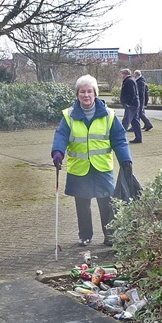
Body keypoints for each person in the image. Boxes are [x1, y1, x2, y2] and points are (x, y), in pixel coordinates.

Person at [51, 74, 132, 247]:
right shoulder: (69, 115)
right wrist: (57, 152)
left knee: (107, 203)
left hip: (102, 168)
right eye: (82, 92)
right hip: (79, 168)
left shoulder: (109, 115)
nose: (86, 95)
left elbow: (119, 139)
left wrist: (125, 159)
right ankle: (85, 236)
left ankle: (110, 235)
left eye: (89, 91)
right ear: (77, 94)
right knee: (82, 204)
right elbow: (61, 135)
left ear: (95, 93)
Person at [120, 68, 142, 143]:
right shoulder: (130, 80)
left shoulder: (129, 81)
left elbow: (132, 93)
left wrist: (127, 103)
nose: (121, 75)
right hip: (134, 104)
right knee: (135, 121)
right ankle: (138, 138)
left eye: (122, 73)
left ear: (125, 74)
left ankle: (120, 137)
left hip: (131, 105)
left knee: (126, 121)